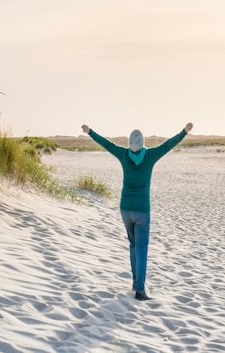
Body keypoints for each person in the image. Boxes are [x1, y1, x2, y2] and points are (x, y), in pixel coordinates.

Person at [81, 122, 193, 301]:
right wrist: (184, 132)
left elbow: (107, 143)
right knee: (141, 249)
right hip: (141, 210)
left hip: (125, 208)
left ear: (129, 144)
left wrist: (90, 132)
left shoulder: (124, 154)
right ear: (142, 143)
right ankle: (140, 290)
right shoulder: (150, 156)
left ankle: (135, 282)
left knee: (133, 245)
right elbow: (167, 145)